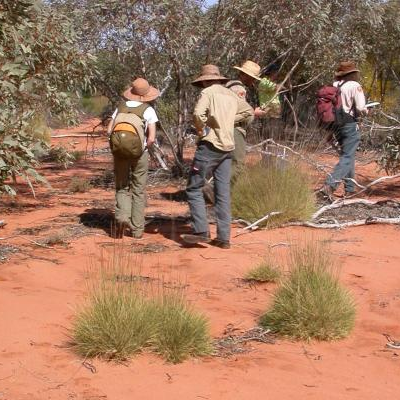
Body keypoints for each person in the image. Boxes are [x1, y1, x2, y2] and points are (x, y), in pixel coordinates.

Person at [182, 64, 250, 249]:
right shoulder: (230, 94)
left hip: (209, 146)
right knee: (223, 193)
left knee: (194, 188)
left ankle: (201, 231)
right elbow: (248, 111)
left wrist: (203, 128)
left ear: (204, 80)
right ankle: (223, 239)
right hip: (228, 148)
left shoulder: (208, 93)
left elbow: (198, 113)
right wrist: (227, 121)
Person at [107, 77, 159, 238]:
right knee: (138, 190)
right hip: (139, 154)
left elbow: (109, 130)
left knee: (122, 188)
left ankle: (122, 217)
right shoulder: (148, 110)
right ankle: (137, 230)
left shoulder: (120, 108)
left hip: (119, 153)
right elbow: (151, 138)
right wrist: (142, 148)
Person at [322, 61, 368, 199]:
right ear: (353, 73)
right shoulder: (355, 86)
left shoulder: (334, 85)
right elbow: (360, 108)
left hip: (335, 125)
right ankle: (330, 184)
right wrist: (367, 110)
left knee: (348, 155)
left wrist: (329, 131)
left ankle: (349, 189)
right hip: (349, 124)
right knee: (347, 156)